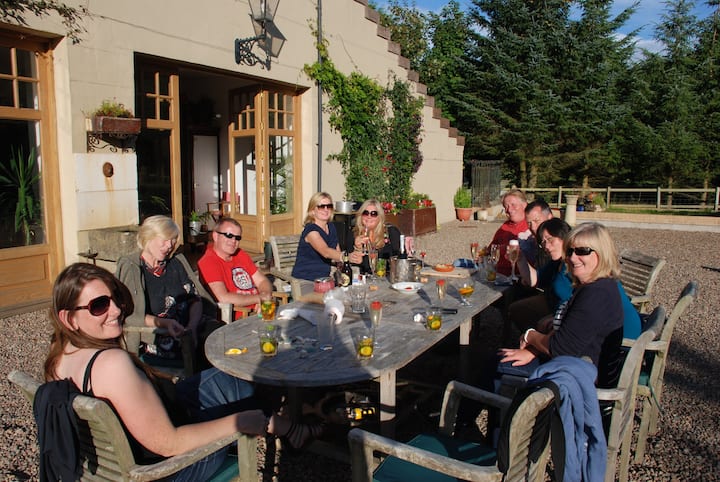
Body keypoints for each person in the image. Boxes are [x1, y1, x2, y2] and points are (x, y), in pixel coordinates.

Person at [41, 263, 321, 480]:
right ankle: (289, 423)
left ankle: (284, 421)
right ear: (69, 318)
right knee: (247, 406)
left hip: (138, 437)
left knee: (231, 376)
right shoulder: (112, 364)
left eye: (115, 299)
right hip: (172, 469)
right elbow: (169, 444)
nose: (115, 310)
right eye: (98, 305)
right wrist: (241, 422)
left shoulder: (60, 355)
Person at [499, 222, 626, 389]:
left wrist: (530, 336)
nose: (572, 258)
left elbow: (559, 348)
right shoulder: (595, 285)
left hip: (579, 380)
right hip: (576, 365)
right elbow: (571, 331)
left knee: (493, 367)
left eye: (582, 251)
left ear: (601, 253)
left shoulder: (595, 294)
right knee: (500, 358)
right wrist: (534, 349)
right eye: (570, 251)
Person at [116, 215, 222, 375]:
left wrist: (192, 327)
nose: (169, 246)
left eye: (173, 240)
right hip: (158, 334)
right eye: (165, 240)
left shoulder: (175, 262)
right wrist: (166, 324)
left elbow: (195, 299)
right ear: (148, 237)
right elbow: (131, 314)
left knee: (220, 336)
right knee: (200, 353)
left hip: (190, 327)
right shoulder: (133, 268)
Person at [509, 218, 573, 334]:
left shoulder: (575, 265)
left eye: (550, 240)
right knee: (516, 309)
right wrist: (520, 258)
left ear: (564, 237)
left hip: (568, 316)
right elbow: (535, 280)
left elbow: (583, 300)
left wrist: (557, 318)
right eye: (543, 242)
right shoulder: (556, 262)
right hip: (554, 306)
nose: (546, 246)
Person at [198, 217, 273, 311]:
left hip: (260, 309)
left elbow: (262, 281)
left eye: (237, 238)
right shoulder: (208, 262)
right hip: (241, 315)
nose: (233, 241)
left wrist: (265, 296)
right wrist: (259, 298)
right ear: (215, 236)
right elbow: (223, 298)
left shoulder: (240, 254)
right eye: (229, 235)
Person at [291, 192, 344, 281]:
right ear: (312, 211)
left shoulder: (331, 227)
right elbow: (326, 252)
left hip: (325, 278)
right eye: (321, 207)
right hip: (305, 279)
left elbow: (337, 253)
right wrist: (346, 257)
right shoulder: (311, 230)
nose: (326, 210)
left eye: (329, 206)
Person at [346, 199, 401, 274]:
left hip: (387, 277)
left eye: (373, 214)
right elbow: (352, 264)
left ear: (380, 217)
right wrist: (357, 248)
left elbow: (399, 260)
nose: (369, 217)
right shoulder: (353, 234)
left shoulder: (391, 232)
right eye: (365, 213)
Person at [486, 189, 532, 276]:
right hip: (498, 274)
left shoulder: (531, 226)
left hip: (521, 276)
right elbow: (491, 250)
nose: (509, 210)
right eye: (506, 207)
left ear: (524, 205)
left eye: (513, 205)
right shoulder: (505, 226)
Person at [523, 199, 554, 267]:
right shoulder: (536, 242)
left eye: (536, 221)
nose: (533, 227)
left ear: (550, 217)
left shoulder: (561, 241)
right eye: (529, 223)